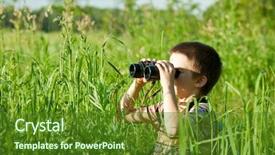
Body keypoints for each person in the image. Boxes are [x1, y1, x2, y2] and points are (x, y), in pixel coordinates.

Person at [120, 41, 222, 154]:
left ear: (199, 81)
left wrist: (167, 86)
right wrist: (137, 84)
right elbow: (124, 115)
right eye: (169, 70)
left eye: (176, 72)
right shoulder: (166, 107)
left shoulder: (202, 111)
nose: (169, 75)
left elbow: (174, 129)